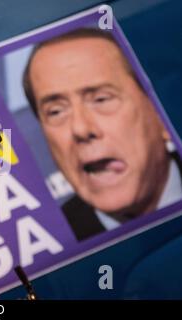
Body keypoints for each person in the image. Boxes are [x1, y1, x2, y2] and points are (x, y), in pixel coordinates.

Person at [22, 28, 182, 241]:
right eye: (56, 111)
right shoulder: (51, 249)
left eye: (101, 99)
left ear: (158, 110)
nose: (80, 129)